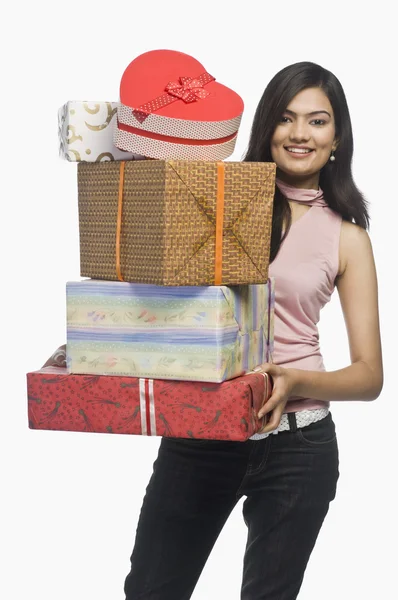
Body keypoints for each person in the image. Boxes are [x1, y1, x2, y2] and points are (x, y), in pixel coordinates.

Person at [44, 61, 383, 599]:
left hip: (300, 448)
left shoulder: (348, 237)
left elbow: (369, 376)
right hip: (202, 432)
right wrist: (106, 336)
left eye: (317, 122)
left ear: (337, 136)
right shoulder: (211, 198)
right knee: (153, 590)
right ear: (265, 125)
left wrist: (294, 382)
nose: (300, 134)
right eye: (286, 118)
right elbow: (160, 290)